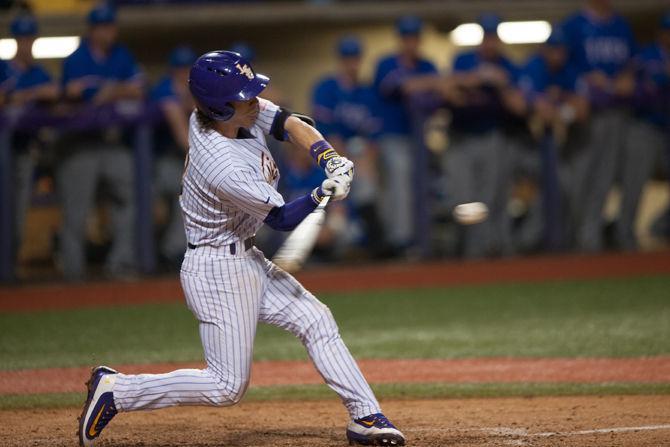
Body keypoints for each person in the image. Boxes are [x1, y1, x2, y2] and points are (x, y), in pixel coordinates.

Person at [77, 51, 405, 447]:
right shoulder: (220, 163)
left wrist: (328, 157)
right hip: (216, 271)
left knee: (316, 321)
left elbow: (288, 122)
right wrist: (322, 192)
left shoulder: (233, 114)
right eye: (243, 97)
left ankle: (365, 418)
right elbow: (281, 219)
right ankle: (117, 390)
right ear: (219, 105)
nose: (253, 101)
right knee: (226, 386)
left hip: (246, 257)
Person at [57, 4, 144, 280]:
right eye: (103, 27)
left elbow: (138, 90)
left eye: (111, 26)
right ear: (92, 30)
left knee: (130, 195)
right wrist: (115, 91)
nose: (109, 32)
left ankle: (120, 264)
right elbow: (82, 98)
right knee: (76, 210)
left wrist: (110, 91)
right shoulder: (75, 59)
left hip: (111, 142)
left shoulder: (122, 55)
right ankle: (73, 272)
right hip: (79, 143)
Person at [443, 13, 526, 258]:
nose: (490, 42)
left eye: (494, 37)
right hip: (461, 137)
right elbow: (447, 91)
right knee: (463, 198)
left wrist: (501, 84)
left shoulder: (508, 66)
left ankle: (496, 249)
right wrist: (475, 79)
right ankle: (471, 253)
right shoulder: (464, 60)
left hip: (492, 137)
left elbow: (520, 106)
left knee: (493, 196)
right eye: (486, 36)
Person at [561, 0, 636, 252]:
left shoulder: (621, 25)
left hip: (615, 111)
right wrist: (581, 85)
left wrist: (624, 80)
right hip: (585, 114)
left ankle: (590, 239)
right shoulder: (573, 25)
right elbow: (560, 64)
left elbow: (630, 66)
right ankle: (570, 237)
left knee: (604, 179)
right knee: (578, 177)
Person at [312, 36, 385, 256]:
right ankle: (330, 249)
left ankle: (370, 244)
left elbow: (374, 138)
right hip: (327, 158)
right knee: (338, 195)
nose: (351, 63)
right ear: (340, 61)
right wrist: (346, 163)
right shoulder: (326, 88)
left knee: (366, 185)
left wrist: (367, 162)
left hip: (358, 157)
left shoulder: (367, 93)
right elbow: (325, 134)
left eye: (355, 58)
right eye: (347, 58)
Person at [517, 27, 590, 250]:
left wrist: (562, 111)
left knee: (565, 188)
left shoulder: (569, 70)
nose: (557, 55)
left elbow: (582, 109)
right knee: (552, 188)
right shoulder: (533, 66)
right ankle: (526, 243)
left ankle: (548, 242)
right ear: (544, 50)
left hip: (557, 150)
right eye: (553, 50)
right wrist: (556, 108)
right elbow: (534, 108)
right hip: (523, 146)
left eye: (560, 50)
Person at [372, 15, 438, 255]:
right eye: (407, 37)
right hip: (391, 136)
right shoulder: (387, 64)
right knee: (399, 182)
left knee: (425, 186)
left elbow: (442, 89)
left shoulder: (427, 65)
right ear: (400, 40)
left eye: (415, 37)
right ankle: (402, 240)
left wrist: (431, 83)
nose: (411, 42)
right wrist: (429, 83)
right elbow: (404, 86)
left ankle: (422, 237)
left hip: (421, 139)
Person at [0, 15, 59, 271]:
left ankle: (8, 267)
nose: (26, 44)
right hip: (3, 149)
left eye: (29, 38)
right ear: (15, 40)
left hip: (23, 150)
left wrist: (21, 96)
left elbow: (55, 92)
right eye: (22, 38)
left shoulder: (38, 72)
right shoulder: (3, 68)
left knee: (17, 212)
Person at [617, 12, 670, 250]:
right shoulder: (646, 56)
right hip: (645, 126)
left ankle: (660, 227)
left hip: (666, 128)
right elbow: (627, 87)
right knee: (634, 184)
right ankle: (624, 236)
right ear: (661, 33)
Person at [150, 45, 197, 267]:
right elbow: (182, 139)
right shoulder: (164, 90)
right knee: (155, 213)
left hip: (177, 162)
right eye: (181, 70)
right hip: (152, 164)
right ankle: (163, 253)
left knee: (192, 196)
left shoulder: (194, 92)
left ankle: (172, 251)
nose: (184, 75)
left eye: (188, 70)